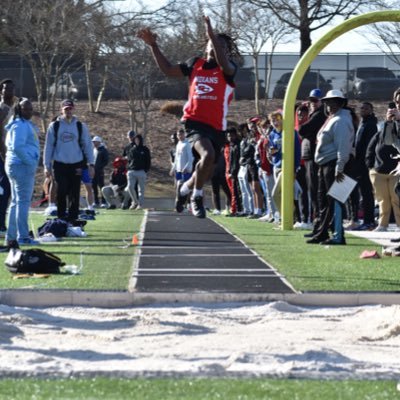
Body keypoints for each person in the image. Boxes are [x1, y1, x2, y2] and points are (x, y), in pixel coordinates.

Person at [138, 15, 239, 218]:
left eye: (219, 46)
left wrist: (212, 33)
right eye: (211, 43)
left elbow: (223, 61)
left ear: (226, 51)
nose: (214, 47)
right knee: (207, 155)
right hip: (194, 122)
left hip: (217, 127)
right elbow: (168, 70)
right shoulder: (195, 64)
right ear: (206, 47)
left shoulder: (228, 69)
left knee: (206, 169)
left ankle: (185, 189)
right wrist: (153, 46)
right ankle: (196, 196)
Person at [306, 90, 354, 245]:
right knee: (325, 202)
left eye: (333, 102)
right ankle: (323, 232)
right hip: (326, 164)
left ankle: (338, 236)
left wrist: (339, 169)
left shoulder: (340, 120)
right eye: (327, 102)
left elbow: (343, 147)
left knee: (335, 201)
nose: (328, 105)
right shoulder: (333, 119)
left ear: (340, 103)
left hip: (335, 165)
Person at [43, 99, 95, 223]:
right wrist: (46, 165)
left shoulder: (80, 126)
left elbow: (87, 145)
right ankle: (61, 217)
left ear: (73, 109)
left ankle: (73, 218)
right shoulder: (54, 126)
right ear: (61, 110)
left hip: (76, 164)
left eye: (70, 108)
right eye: (66, 109)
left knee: (74, 192)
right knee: (61, 190)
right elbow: (48, 146)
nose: (68, 111)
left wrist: (91, 164)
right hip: (60, 164)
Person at [4, 98, 40, 246]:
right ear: (19, 109)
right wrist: (30, 161)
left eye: (31, 109)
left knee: (16, 202)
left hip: (15, 166)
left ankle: (11, 237)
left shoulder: (17, 124)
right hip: (21, 166)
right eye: (26, 109)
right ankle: (22, 236)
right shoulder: (20, 125)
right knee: (23, 202)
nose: (29, 112)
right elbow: (17, 147)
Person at [366, 94, 400, 232]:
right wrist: (389, 122)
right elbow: (386, 140)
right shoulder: (390, 123)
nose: (398, 105)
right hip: (380, 169)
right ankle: (382, 224)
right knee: (383, 200)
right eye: (396, 102)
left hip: (395, 170)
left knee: (396, 200)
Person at [298, 89, 327, 235]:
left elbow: (303, 130)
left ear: (322, 101)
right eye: (311, 100)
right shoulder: (314, 114)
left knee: (316, 192)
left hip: (314, 157)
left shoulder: (319, 115)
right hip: (310, 157)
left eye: (315, 100)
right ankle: (318, 225)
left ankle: (320, 226)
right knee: (314, 192)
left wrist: (303, 122)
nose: (312, 103)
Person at [346, 102, 377, 231]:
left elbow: (369, 146)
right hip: (359, 163)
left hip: (364, 164)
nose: (363, 110)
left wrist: (365, 161)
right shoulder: (362, 123)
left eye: (366, 108)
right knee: (361, 192)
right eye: (362, 108)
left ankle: (369, 221)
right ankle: (361, 219)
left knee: (366, 193)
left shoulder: (370, 125)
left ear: (371, 110)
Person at [0, 78, 16, 236]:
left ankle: (6, 224)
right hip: (2, 156)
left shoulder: (17, 106)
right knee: (3, 190)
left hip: (14, 155)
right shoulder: (1, 108)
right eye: (6, 89)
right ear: (1, 91)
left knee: (9, 191)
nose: (10, 91)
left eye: (12, 88)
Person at [126, 134, 151, 210]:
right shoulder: (132, 149)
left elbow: (148, 161)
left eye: (138, 139)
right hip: (132, 171)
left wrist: (146, 170)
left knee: (141, 189)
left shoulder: (145, 149)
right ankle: (135, 201)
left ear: (141, 140)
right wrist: (128, 168)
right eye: (135, 140)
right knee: (130, 187)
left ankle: (140, 204)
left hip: (141, 171)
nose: (137, 141)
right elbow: (129, 160)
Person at [173, 129, 194, 212]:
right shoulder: (178, 144)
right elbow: (176, 159)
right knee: (179, 188)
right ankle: (181, 206)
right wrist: (173, 168)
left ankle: (186, 206)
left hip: (186, 171)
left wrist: (187, 167)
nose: (179, 136)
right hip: (179, 170)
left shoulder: (187, 144)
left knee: (185, 189)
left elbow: (191, 158)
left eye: (181, 135)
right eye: (178, 135)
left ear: (184, 135)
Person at [92, 135, 109, 207]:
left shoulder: (103, 150)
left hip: (99, 171)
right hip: (93, 171)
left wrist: (100, 166)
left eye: (95, 142)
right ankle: (96, 202)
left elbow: (106, 160)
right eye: (93, 142)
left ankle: (104, 202)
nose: (93, 143)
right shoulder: (94, 149)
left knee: (101, 186)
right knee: (94, 186)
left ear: (98, 142)